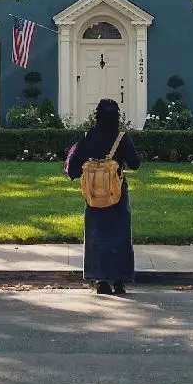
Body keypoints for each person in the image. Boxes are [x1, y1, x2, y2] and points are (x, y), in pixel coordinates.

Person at [66, 98, 140, 295]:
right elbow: (135, 162)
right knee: (119, 235)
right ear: (117, 116)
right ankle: (119, 280)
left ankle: (100, 280)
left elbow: (73, 167)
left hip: (93, 193)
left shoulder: (89, 137)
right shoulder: (121, 138)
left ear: (96, 115)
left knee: (96, 234)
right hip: (117, 192)